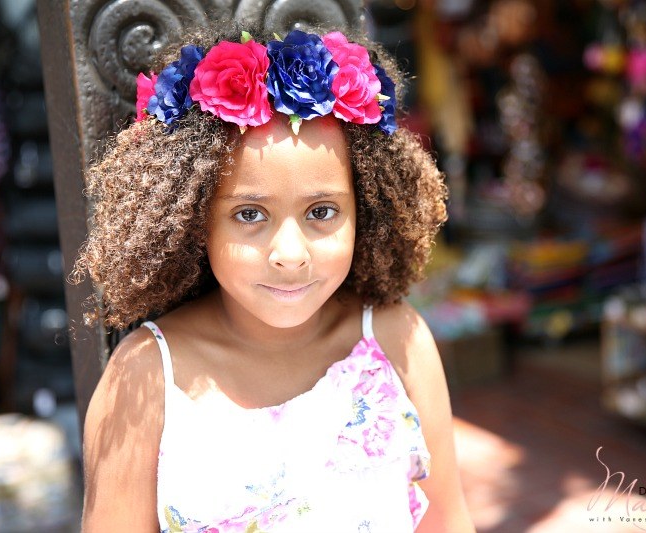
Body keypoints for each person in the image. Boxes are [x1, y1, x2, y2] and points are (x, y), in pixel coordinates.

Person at [74, 19, 474, 533]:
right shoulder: (148, 378)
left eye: (322, 212)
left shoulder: (398, 344)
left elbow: (449, 523)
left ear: (365, 210)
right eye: (249, 214)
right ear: (196, 221)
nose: (290, 254)